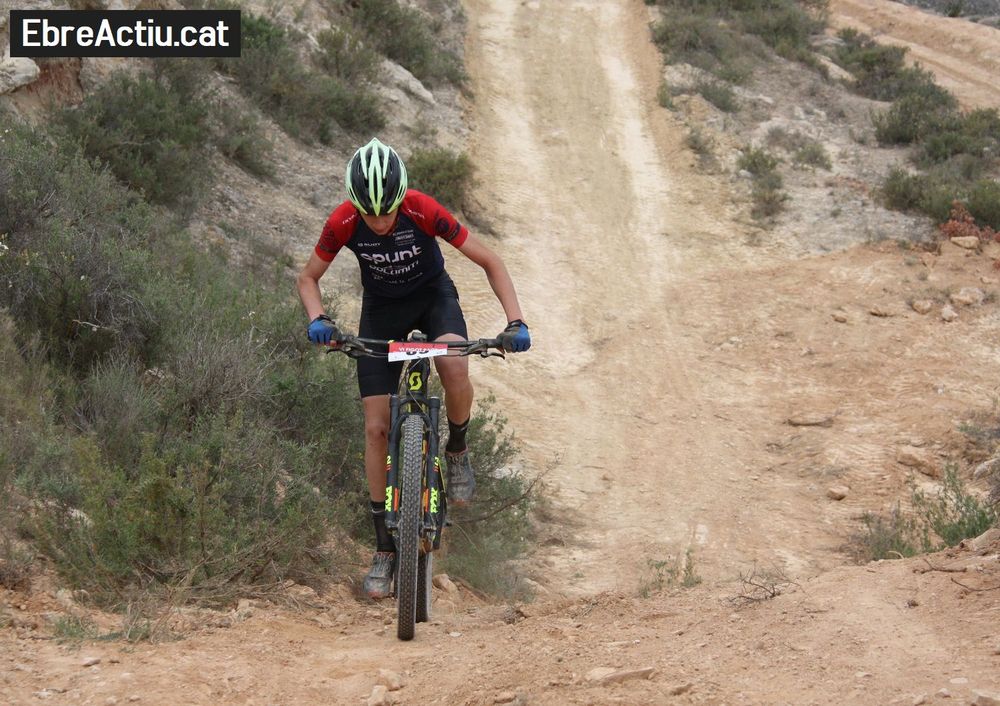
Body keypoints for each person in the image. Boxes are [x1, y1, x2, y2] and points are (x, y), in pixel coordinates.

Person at [297, 137, 530, 599]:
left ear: (401, 198)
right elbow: (308, 278)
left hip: (433, 300)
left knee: (454, 365)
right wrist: (317, 319)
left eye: (387, 212)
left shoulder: (422, 209)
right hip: (381, 313)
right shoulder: (342, 222)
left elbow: (489, 259)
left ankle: (457, 448)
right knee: (376, 429)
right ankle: (384, 549)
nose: (380, 222)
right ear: (355, 205)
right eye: (370, 214)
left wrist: (516, 321)